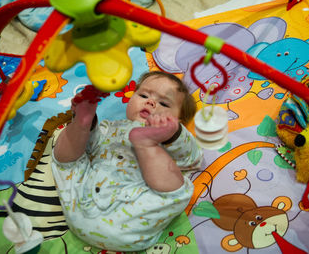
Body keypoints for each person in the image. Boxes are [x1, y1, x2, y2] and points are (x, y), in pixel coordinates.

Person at [51, 71, 203, 251]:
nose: (150, 102)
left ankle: (147, 145)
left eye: (164, 103)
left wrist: (173, 133)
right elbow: (91, 146)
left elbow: (192, 157)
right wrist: (88, 127)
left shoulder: (172, 141)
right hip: (82, 204)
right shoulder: (110, 128)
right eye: (144, 95)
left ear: (179, 121)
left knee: (176, 189)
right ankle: (82, 122)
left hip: (132, 216)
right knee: (68, 159)